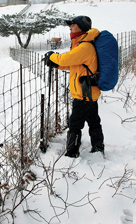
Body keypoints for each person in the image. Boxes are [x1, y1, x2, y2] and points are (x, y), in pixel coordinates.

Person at [43, 15, 105, 158]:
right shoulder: (82, 44)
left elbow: (66, 58)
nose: (70, 27)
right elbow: (74, 65)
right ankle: (98, 146)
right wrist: (57, 65)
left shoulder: (85, 46)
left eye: (72, 25)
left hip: (83, 94)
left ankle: (72, 152)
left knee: (75, 124)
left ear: (81, 27)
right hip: (89, 92)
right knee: (94, 122)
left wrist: (52, 56)